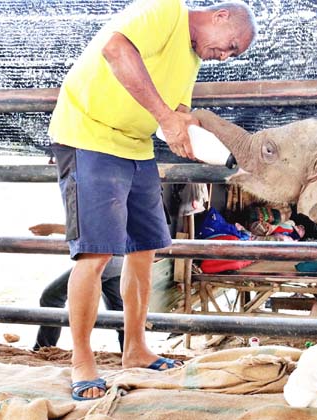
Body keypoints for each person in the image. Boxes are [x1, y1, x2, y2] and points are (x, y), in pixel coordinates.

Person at [47, 0, 257, 401]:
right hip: (88, 137)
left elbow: (178, 111)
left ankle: (136, 349)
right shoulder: (166, 11)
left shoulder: (192, 58)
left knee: (145, 249)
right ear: (221, 15)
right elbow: (115, 48)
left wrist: (209, 140)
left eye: (232, 55)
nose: (225, 56)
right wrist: (165, 117)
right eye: (230, 46)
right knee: (95, 255)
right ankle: (82, 361)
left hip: (136, 146)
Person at [30, 223, 125, 352]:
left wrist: (53, 228)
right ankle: (128, 350)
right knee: (118, 310)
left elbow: (93, 230)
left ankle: (44, 348)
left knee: (51, 297)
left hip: (103, 257)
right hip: (119, 257)